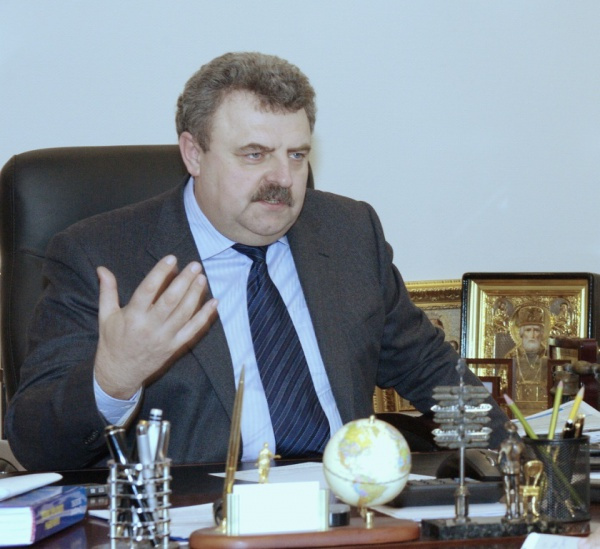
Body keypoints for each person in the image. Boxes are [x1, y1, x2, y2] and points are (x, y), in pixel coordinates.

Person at [5, 52, 510, 471]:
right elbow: (36, 445)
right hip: (199, 520)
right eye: (255, 154)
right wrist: (112, 379)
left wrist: (515, 455)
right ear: (193, 154)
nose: (283, 178)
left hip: (348, 511)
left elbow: (428, 370)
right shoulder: (102, 256)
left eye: (296, 155)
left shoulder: (350, 233)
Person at [504, 306, 548, 415]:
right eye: (528, 330)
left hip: (545, 411)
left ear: (542, 333)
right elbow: (502, 387)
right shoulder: (510, 358)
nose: (532, 335)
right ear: (521, 333)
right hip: (515, 412)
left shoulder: (550, 357)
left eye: (536, 330)